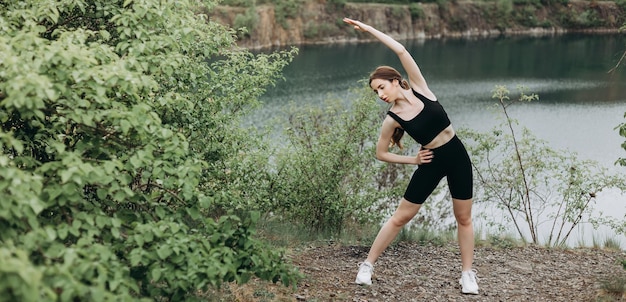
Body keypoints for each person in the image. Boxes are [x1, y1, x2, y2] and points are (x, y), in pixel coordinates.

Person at [343, 17, 479, 295]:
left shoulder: (420, 89)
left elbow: (401, 50)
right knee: (401, 217)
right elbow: (380, 153)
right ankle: (367, 265)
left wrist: (369, 30)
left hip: (456, 154)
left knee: (463, 217)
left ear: (395, 81)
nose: (379, 94)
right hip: (430, 161)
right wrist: (413, 161)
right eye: (375, 92)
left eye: (381, 87)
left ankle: (467, 274)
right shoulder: (392, 119)